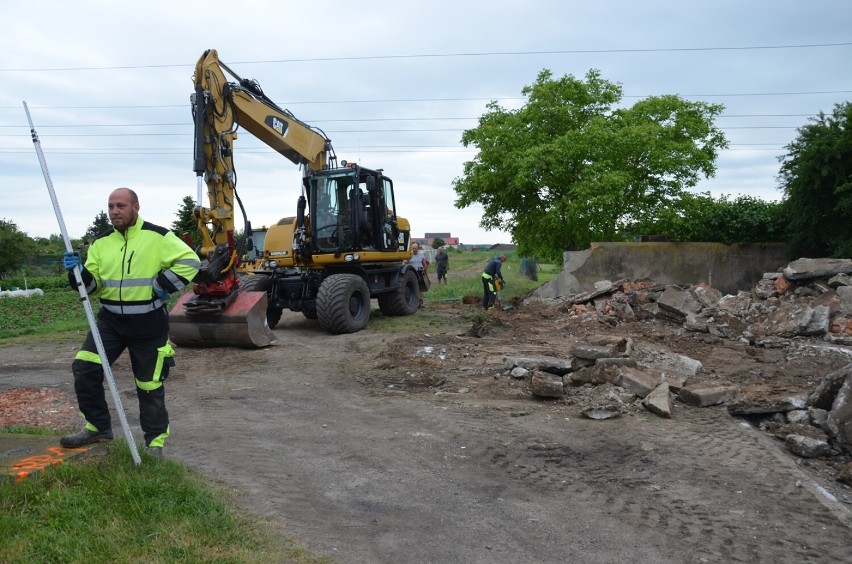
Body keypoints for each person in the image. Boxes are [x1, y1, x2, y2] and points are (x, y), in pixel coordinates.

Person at [60, 187, 201, 458]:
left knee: (149, 385)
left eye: (121, 206)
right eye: (111, 206)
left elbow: (190, 261)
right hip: (110, 322)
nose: (115, 211)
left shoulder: (158, 236)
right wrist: (77, 273)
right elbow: (92, 288)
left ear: (136, 207)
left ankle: (155, 443)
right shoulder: (100, 243)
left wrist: (163, 285)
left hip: (148, 323)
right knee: (85, 368)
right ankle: (98, 427)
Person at [405, 242, 430, 308]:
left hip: (420, 272)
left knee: (420, 287)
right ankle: (413, 301)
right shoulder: (409, 255)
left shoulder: (421, 255)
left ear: (418, 248)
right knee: (413, 287)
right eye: (413, 248)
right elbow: (405, 263)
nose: (414, 249)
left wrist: (426, 272)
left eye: (415, 248)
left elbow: (425, 264)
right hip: (412, 274)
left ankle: (421, 301)